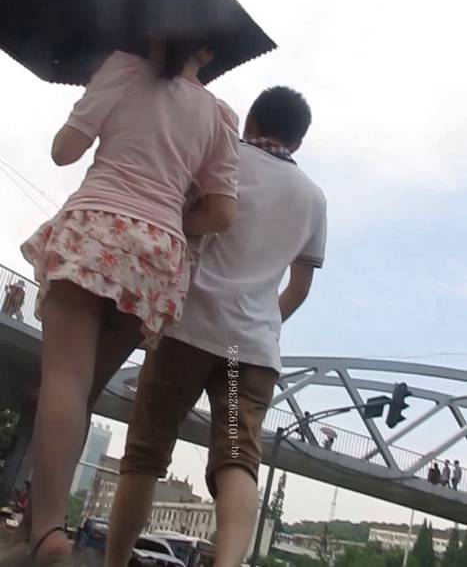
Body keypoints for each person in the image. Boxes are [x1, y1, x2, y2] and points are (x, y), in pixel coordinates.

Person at [4, 40, 239, 567]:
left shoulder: (123, 68)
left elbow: (64, 150)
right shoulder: (220, 116)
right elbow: (223, 214)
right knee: (83, 391)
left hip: (96, 228)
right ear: (207, 51)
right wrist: (170, 215)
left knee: (64, 381)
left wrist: (94, 103)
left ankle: (47, 531)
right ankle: (38, 528)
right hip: (159, 258)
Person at [103, 86, 327, 567]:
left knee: (146, 454)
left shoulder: (222, 157)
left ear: (250, 121)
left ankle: (115, 561)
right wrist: (262, 322)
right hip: (245, 352)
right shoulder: (314, 198)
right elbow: (300, 286)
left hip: (186, 331)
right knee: (237, 456)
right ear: (298, 141)